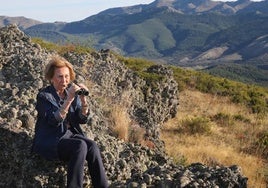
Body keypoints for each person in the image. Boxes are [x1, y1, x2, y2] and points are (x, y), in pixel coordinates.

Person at [32, 55, 109, 188]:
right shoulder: (44, 96)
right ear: (51, 78)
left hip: (69, 135)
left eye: (67, 76)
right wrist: (68, 100)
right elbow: (53, 121)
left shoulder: (69, 91)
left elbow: (81, 119)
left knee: (92, 146)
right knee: (80, 146)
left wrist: (84, 101)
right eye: (60, 76)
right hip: (51, 139)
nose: (64, 80)